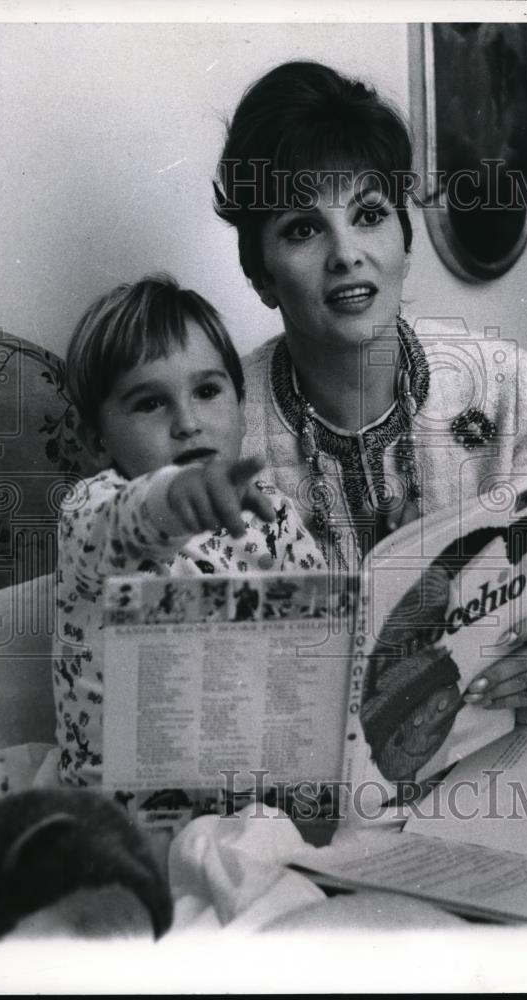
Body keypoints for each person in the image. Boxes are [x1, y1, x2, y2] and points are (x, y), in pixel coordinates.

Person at [214, 60, 527, 737]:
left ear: (405, 239)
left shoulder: (507, 385)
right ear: (259, 274)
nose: (345, 253)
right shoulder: (220, 426)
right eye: (302, 228)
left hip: (482, 745)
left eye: (367, 215)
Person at [54, 274, 325, 785]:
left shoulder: (273, 512)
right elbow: (132, 519)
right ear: (95, 440)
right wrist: (178, 495)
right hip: (133, 816)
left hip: (254, 780)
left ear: (243, 410)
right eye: (150, 403)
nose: (187, 422)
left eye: (206, 391)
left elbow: (321, 642)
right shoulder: (93, 512)